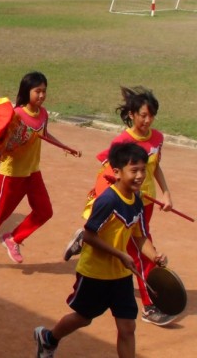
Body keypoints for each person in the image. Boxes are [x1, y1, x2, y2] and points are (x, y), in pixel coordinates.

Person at [34, 142, 168, 358]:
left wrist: (155, 256)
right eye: (134, 170)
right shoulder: (108, 200)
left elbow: (140, 236)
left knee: (127, 328)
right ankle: (48, 339)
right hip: (95, 273)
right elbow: (88, 235)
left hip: (121, 276)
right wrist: (120, 254)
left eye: (143, 169)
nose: (140, 175)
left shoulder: (137, 200)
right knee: (83, 317)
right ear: (117, 172)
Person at [63, 86, 175, 325]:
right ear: (132, 114)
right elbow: (106, 174)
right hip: (123, 204)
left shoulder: (157, 138)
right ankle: (149, 305)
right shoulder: (122, 141)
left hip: (146, 204)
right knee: (137, 251)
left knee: (139, 245)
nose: (147, 120)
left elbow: (156, 167)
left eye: (151, 115)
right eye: (143, 115)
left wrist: (165, 193)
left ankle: (86, 235)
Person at [0, 71, 80, 270]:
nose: (42, 96)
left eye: (44, 91)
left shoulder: (43, 114)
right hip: (12, 174)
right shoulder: (15, 115)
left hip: (32, 171)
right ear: (27, 92)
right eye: (37, 91)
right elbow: (1, 143)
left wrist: (66, 147)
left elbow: (44, 133)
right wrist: (15, 140)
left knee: (44, 211)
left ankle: (13, 238)